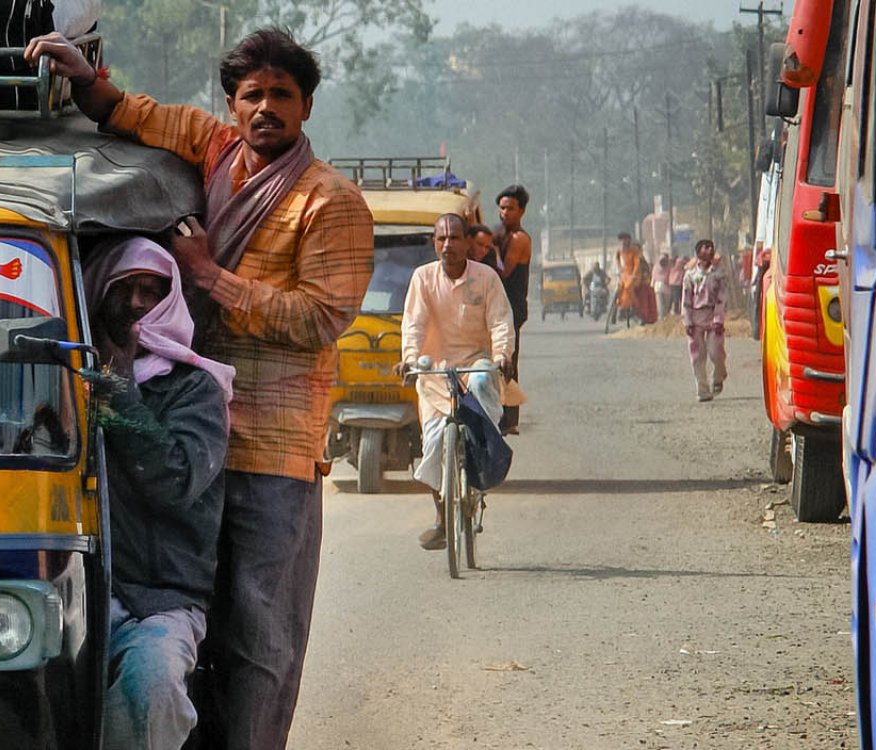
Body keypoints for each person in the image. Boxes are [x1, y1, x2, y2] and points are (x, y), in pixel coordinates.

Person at [26, 28, 371, 750]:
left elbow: (320, 319)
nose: (266, 107)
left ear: (306, 106)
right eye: (253, 95)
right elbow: (132, 113)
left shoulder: (330, 202)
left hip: (268, 448)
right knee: (176, 616)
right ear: (233, 104)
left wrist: (207, 274)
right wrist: (83, 75)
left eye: (282, 95)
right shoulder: (213, 150)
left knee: (256, 632)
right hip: (182, 425)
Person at [87, 237, 234, 750]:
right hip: (74, 593)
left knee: (151, 685)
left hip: (160, 598)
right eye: (125, 290)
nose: (136, 305)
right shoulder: (67, 379)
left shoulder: (195, 388)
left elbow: (175, 480)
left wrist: (118, 390)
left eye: (153, 293)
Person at [395, 214, 515, 548]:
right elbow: (413, 324)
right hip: (435, 374)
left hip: (476, 366)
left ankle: (487, 445)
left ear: (467, 241)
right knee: (433, 445)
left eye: (454, 238)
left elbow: (501, 322)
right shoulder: (423, 278)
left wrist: (502, 355)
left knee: (479, 385)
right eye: (441, 238)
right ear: (434, 243)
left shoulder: (486, 278)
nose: (448, 245)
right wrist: (408, 359)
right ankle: (442, 518)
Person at [492, 187, 531, 433]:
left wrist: (491, 250)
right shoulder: (503, 234)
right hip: (500, 306)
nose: (505, 213)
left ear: (522, 211)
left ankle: (510, 419)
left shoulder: (518, 239)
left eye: (510, 208)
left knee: (507, 362)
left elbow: (504, 272)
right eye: (502, 208)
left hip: (512, 308)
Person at [681, 239, 730, 401]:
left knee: (716, 353)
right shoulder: (690, 275)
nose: (709, 250)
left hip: (712, 316)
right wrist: (687, 321)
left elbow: (722, 298)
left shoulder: (719, 274)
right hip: (695, 318)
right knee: (697, 356)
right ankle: (702, 390)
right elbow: (686, 299)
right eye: (705, 247)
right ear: (698, 252)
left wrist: (719, 319)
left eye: (711, 248)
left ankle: (719, 376)